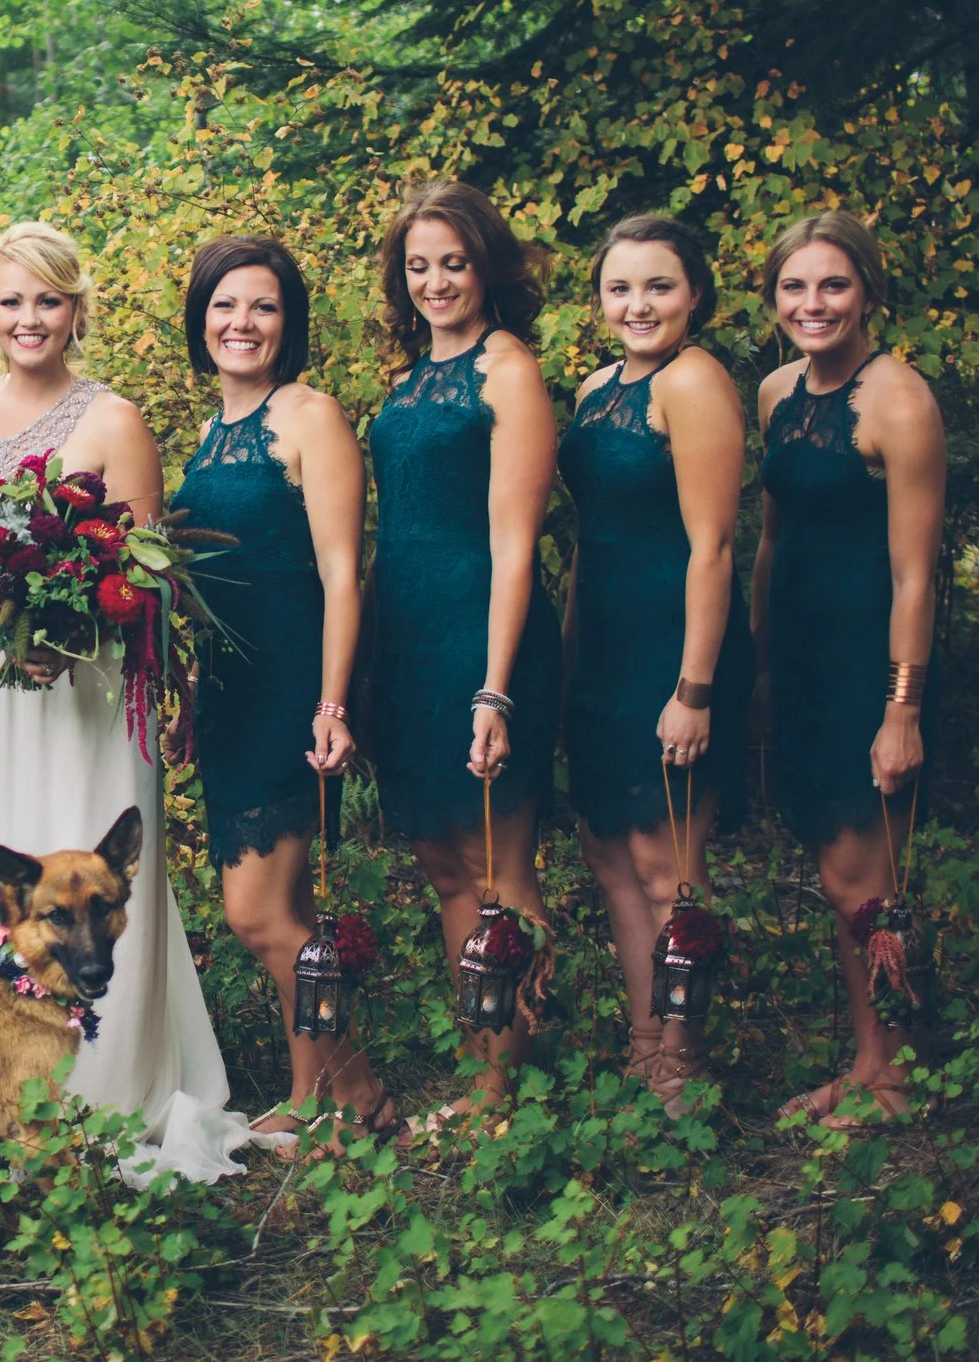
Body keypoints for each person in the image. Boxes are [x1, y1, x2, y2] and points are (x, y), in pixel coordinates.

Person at [0, 223, 260, 1180]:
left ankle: (113, 1090)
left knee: (89, 884)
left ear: (78, 309)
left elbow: (149, 583)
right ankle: (6, 1087)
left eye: (50, 300)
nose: (29, 319)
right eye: (12, 301)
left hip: (82, 698)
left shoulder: (112, 418)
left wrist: (68, 634)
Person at [169, 233, 394, 1150]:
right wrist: (186, 691)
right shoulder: (210, 432)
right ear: (201, 319)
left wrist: (334, 704)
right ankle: (318, 1095)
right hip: (227, 694)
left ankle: (359, 1088)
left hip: (295, 689)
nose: (242, 322)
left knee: (260, 912)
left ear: (287, 321)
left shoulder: (309, 416)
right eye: (225, 305)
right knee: (279, 911)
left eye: (262, 305)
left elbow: (344, 574)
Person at [365, 180, 561, 1144]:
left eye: (453, 261)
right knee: (446, 864)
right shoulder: (407, 381)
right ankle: (485, 1065)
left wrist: (496, 685)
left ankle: (508, 1093)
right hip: (405, 640)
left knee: (498, 860)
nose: (435, 280)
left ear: (487, 266)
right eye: (418, 264)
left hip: (483, 637)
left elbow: (515, 541)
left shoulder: (506, 369)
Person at [750, 211, 945, 1131]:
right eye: (795, 286)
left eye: (833, 284)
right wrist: (753, 658)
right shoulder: (774, 393)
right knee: (837, 874)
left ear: (867, 290)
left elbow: (916, 571)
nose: (813, 303)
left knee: (869, 880)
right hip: (799, 661)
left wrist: (901, 706)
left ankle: (897, 1075)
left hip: (871, 663)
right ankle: (868, 1061)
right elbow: (773, 538)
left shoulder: (897, 400)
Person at [558, 215, 752, 1117]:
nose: (638, 305)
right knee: (607, 850)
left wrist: (695, 688)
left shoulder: (697, 381)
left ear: (695, 295)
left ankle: (686, 1052)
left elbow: (712, 547)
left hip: (674, 648)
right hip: (600, 641)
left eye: (659, 286)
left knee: (668, 858)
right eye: (620, 288)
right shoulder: (598, 387)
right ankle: (645, 1041)